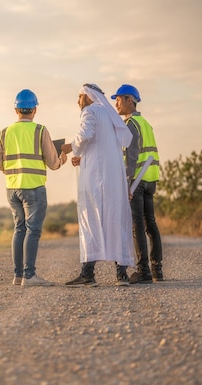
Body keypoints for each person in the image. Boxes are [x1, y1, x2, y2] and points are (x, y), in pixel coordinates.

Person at [61, 83, 136, 287]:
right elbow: (100, 144)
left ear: (88, 97)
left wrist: (69, 148)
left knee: (90, 219)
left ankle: (88, 274)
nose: (78, 102)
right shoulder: (109, 114)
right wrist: (82, 155)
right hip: (113, 177)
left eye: (79, 97)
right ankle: (121, 275)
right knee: (115, 221)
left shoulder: (90, 111)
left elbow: (85, 135)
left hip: (95, 178)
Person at [0, 89, 68, 287]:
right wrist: (62, 157)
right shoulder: (40, 130)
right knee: (33, 231)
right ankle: (29, 276)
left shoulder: (4, 132)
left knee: (19, 229)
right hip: (34, 188)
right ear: (34, 109)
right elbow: (53, 164)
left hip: (12, 189)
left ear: (16, 109)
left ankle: (18, 276)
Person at [112, 84, 164, 283]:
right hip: (150, 179)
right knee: (151, 223)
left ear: (129, 100)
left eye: (118, 99)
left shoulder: (131, 124)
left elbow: (131, 157)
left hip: (138, 181)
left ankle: (143, 271)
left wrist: (127, 184)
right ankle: (157, 270)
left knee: (138, 225)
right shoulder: (146, 123)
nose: (116, 103)